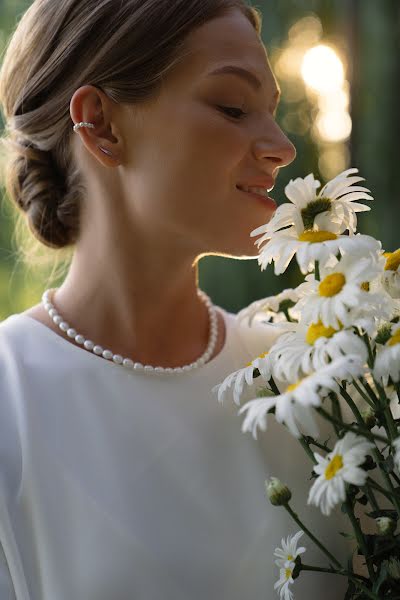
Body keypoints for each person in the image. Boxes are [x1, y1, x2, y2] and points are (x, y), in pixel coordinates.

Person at [0, 1, 349, 598]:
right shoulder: (13, 400)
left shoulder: (315, 381)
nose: (282, 147)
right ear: (102, 125)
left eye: (270, 112)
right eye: (233, 108)